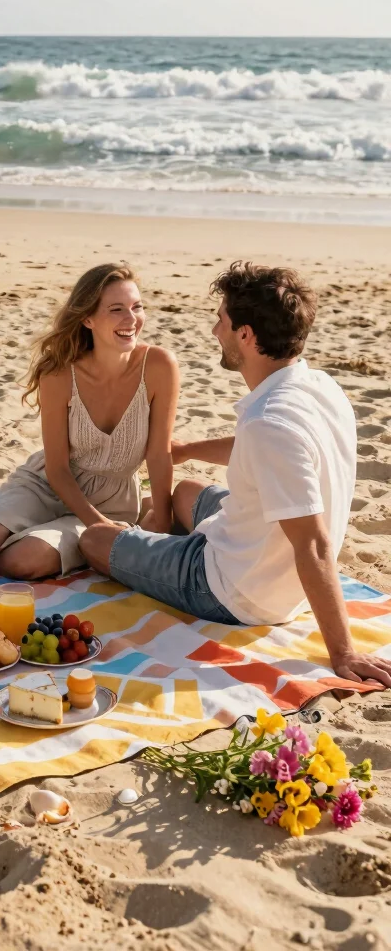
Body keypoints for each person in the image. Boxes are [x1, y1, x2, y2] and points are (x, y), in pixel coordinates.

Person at [79, 261, 391, 688]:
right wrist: (187, 450)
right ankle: (159, 540)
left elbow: (313, 544)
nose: (215, 331)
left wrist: (344, 651)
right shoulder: (317, 386)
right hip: (259, 547)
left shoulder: (270, 423)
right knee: (186, 491)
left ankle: (156, 553)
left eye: (221, 320)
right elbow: (264, 452)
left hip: (235, 589)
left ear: (245, 335)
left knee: (93, 539)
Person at [0, 262, 179, 578]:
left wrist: (162, 530)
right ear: (88, 318)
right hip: (46, 484)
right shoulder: (60, 374)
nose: (131, 319)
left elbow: (159, 455)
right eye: (117, 309)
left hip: (112, 501)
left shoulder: (160, 366)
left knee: (24, 562)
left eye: (137, 307)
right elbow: (57, 468)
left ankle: (0, 526)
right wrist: (98, 526)